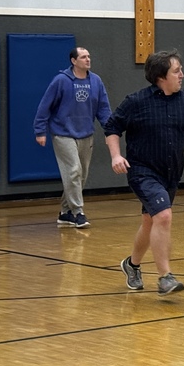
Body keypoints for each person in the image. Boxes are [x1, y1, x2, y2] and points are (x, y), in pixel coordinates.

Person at [106, 50, 184, 295]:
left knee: (150, 220)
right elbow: (112, 127)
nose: (182, 75)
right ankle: (165, 277)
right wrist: (116, 155)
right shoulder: (136, 102)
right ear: (160, 77)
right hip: (142, 171)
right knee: (163, 216)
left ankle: (131, 265)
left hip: (171, 173)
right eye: (176, 71)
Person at [33, 46, 112, 229]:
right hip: (63, 134)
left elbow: (103, 108)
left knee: (80, 175)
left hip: (86, 134)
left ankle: (65, 212)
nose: (88, 59)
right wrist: (40, 131)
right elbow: (44, 106)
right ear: (73, 61)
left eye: (89, 56)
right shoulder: (61, 81)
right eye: (83, 57)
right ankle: (78, 212)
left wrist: (110, 130)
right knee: (74, 170)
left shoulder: (96, 81)